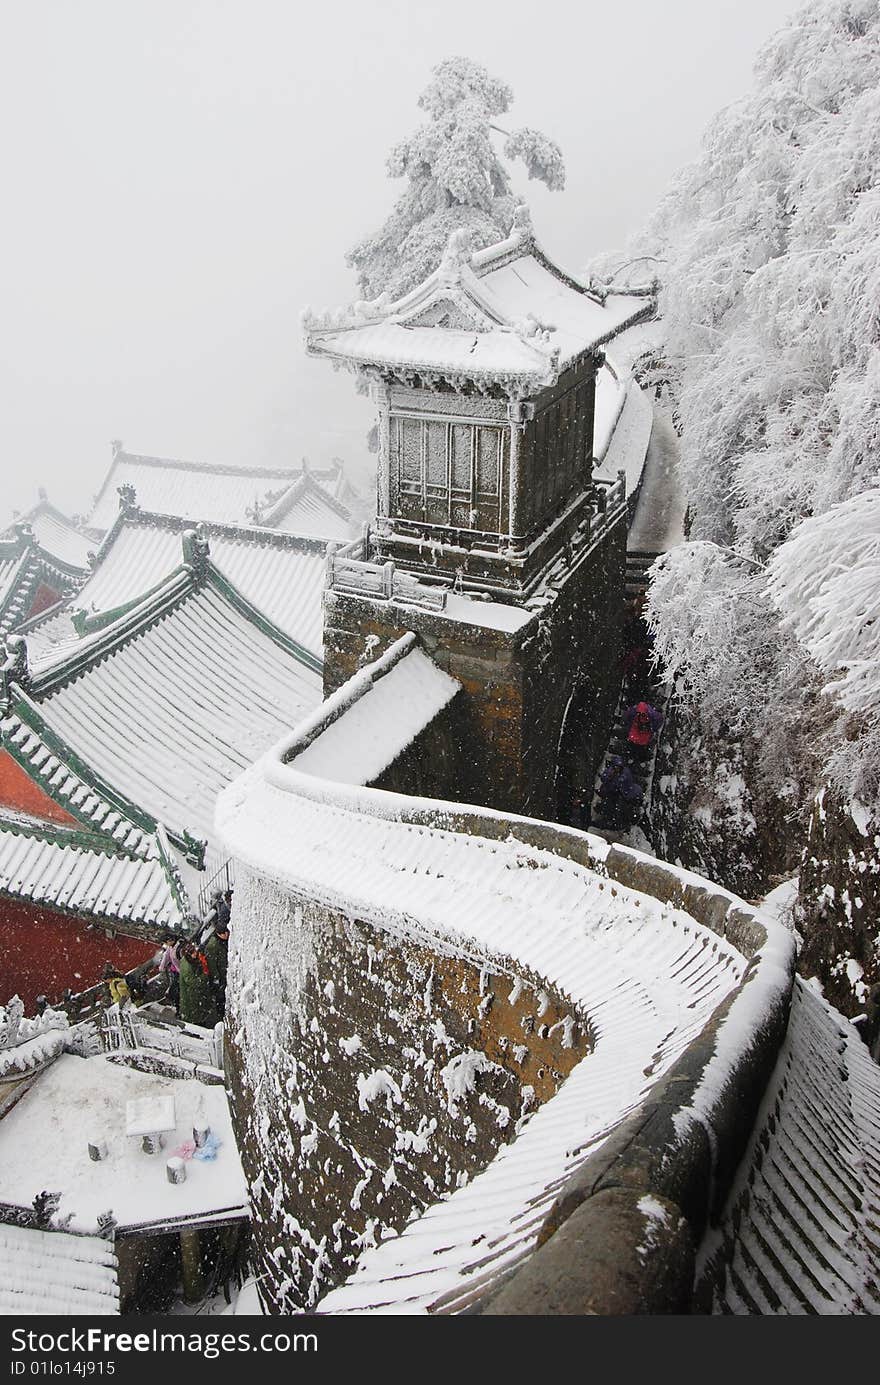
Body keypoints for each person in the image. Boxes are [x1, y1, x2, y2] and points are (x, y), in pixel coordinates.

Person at [178, 941, 221, 1029]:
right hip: (192, 997)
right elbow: (192, 982)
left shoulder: (189, 960)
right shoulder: (187, 966)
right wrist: (204, 976)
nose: (196, 954)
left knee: (198, 1014)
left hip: (196, 996)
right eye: (194, 953)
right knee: (195, 1018)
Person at [597, 756, 643, 829]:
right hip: (612, 792)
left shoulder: (625, 772)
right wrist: (610, 777)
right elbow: (604, 778)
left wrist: (615, 781)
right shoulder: (610, 771)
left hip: (623, 793)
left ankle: (618, 822)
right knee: (609, 805)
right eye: (615, 767)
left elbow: (623, 784)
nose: (617, 768)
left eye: (618, 767)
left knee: (619, 807)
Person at [204, 923, 229, 1012]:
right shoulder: (212, 946)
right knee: (221, 995)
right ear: (218, 934)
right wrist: (216, 977)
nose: (226, 935)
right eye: (223, 933)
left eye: (226, 932)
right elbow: (212, 964)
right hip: (220, 974)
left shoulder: (221, 941)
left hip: (224, 970)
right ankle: (220, 1010)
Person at [156, 934, 181, 1014]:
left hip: (181, 973)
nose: (166, 945)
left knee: (175, 991)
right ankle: (177, 1006)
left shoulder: (179, 948)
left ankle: (178, 1007)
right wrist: (161, 967)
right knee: (174, 990)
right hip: (176, 972)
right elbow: (166, 956)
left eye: (166, 943)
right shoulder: (171, 947)